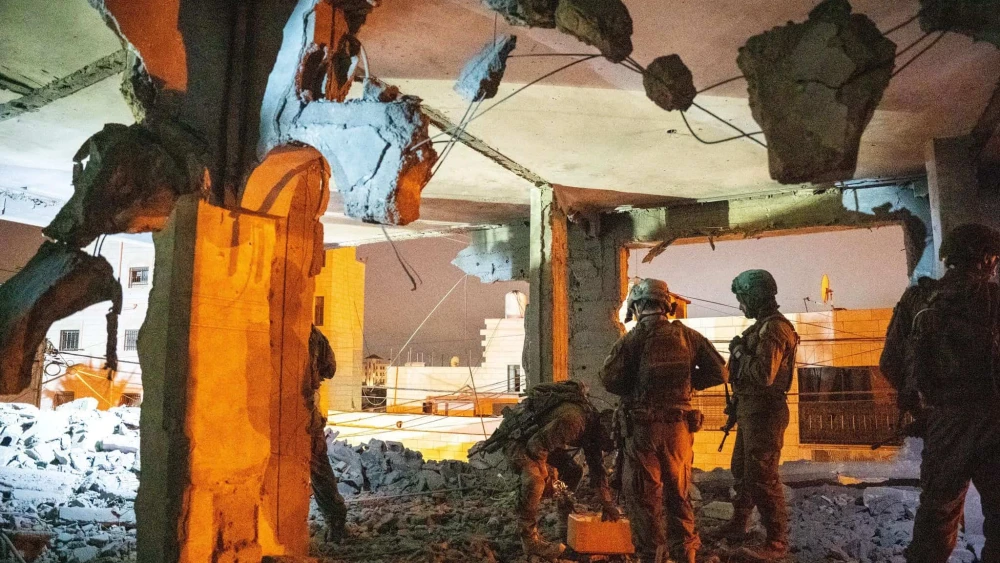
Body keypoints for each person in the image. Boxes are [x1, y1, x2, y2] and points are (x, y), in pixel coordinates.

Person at [880, 223, 1000, 563]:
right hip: (994, 424)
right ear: (985, 260)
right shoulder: (994, 299)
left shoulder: (916, 299)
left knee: (937, 517)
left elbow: (889, 363)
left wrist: (926, 412)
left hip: (943, 425)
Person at [599, 278, 727, 563]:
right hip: (680, 430)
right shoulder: (687, 336)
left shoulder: (632, 339)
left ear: (638, 305)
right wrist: (688, 384)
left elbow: (608, 379)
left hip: (644, 431)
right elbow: (720, 372)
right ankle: (686, 555)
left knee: (645, 501)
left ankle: (653, 557)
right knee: (679, 496)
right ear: (665, 304)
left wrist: (635, 385)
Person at [478, 380, 620, 560]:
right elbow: (535, 448)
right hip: (519, 441)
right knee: (535, 481)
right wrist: (548, 472)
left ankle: (565, 527)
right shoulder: (574, 422)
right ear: (603, 432)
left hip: (542, 441)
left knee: (573, 472)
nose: (606, 448)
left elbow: (597, 470)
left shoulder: (592, 427)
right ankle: (530, 540)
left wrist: (607, 504)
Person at [715, 270, 798, 561]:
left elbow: (764, 375)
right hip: (752, 411)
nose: (740, 306)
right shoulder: (761, 327)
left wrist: (738, 354)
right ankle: (740, 524)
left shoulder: (774, 329)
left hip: (766, 412)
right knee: (743, 470)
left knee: (763, 476)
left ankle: (777, 542)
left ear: (754, 295)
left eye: (742, 299)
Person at [308, 326, 348, 541]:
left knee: (319, 469)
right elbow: (329, 370)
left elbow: (328, 370)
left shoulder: (315, 338)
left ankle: (335, 522)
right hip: (307, 412)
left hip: (303, 414)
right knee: (319, 469)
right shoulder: (316, 336)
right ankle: (336, 521)